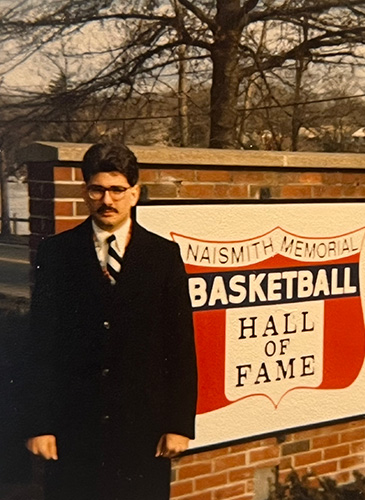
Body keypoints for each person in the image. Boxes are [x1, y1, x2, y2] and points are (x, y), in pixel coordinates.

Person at [22, 142, 198, 500]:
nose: (107, 200)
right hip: (73, 430)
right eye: (97, 189)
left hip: (142, 431)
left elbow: (179, 344)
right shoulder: (56, 254)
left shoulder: (163, 255)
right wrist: (39, 425)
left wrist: (179, 425)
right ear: (86, 191)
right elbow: (40, 345)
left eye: (118, 190)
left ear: (134, 193)